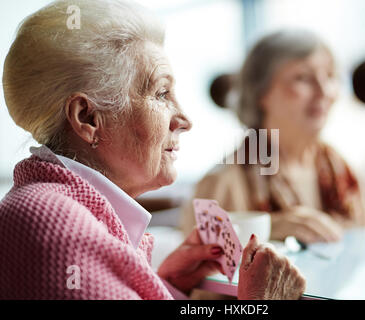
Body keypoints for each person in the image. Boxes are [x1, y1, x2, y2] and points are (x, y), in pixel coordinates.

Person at [0, 0, 305, 300]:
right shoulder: (56, 224)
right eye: (161, 94)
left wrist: (167, 287)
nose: (185, 120)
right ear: (88, 118)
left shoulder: (57, 208)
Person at [182, 30, 365, 244]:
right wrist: (264, 230)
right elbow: (192, 268)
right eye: (302, 78)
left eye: (330, 76)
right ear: (261, 93)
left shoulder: (348, 174)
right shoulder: (221, 184)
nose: (324, 91)